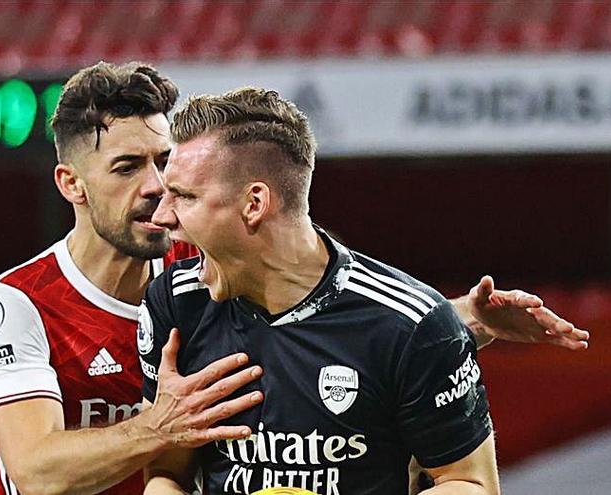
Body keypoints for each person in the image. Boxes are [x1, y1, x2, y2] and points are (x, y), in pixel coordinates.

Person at [0, 62, 587, 495]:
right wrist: (159, 428)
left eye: (163, 164)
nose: (155, 190)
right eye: (127, 167)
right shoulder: (17, 306)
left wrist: (456, 320)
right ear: (71, 184)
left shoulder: (200, 278)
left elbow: (334, 314)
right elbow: (38, 473)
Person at [138, 87, 560, 495]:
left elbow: (470, 484)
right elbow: (165, 475)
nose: (162, 215)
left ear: (254, 204)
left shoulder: (412, 325)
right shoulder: (175, 304)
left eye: (184, 196)